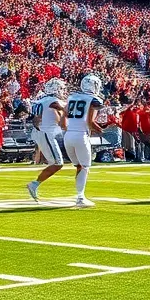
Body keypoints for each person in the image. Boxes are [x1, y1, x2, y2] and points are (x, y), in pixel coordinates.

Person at [63, 75, 105, 208]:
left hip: (68, 135)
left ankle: (79, 194)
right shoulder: (93, 99)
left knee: (79, 167)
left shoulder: (72, 97)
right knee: (85, 167)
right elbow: (90, 122)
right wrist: (102, 131)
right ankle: (80, 197)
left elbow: (65, 116)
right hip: (81, 135)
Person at [26, 78, 68, 201]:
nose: (63, 91)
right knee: (57, 163)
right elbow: (64, 109)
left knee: (56, 163)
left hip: (42, 132)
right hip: (46, 133)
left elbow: (37, 118)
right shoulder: (53, 101)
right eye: (61, 89)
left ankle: (35, 184)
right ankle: (34, 184)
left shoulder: (41, 100)